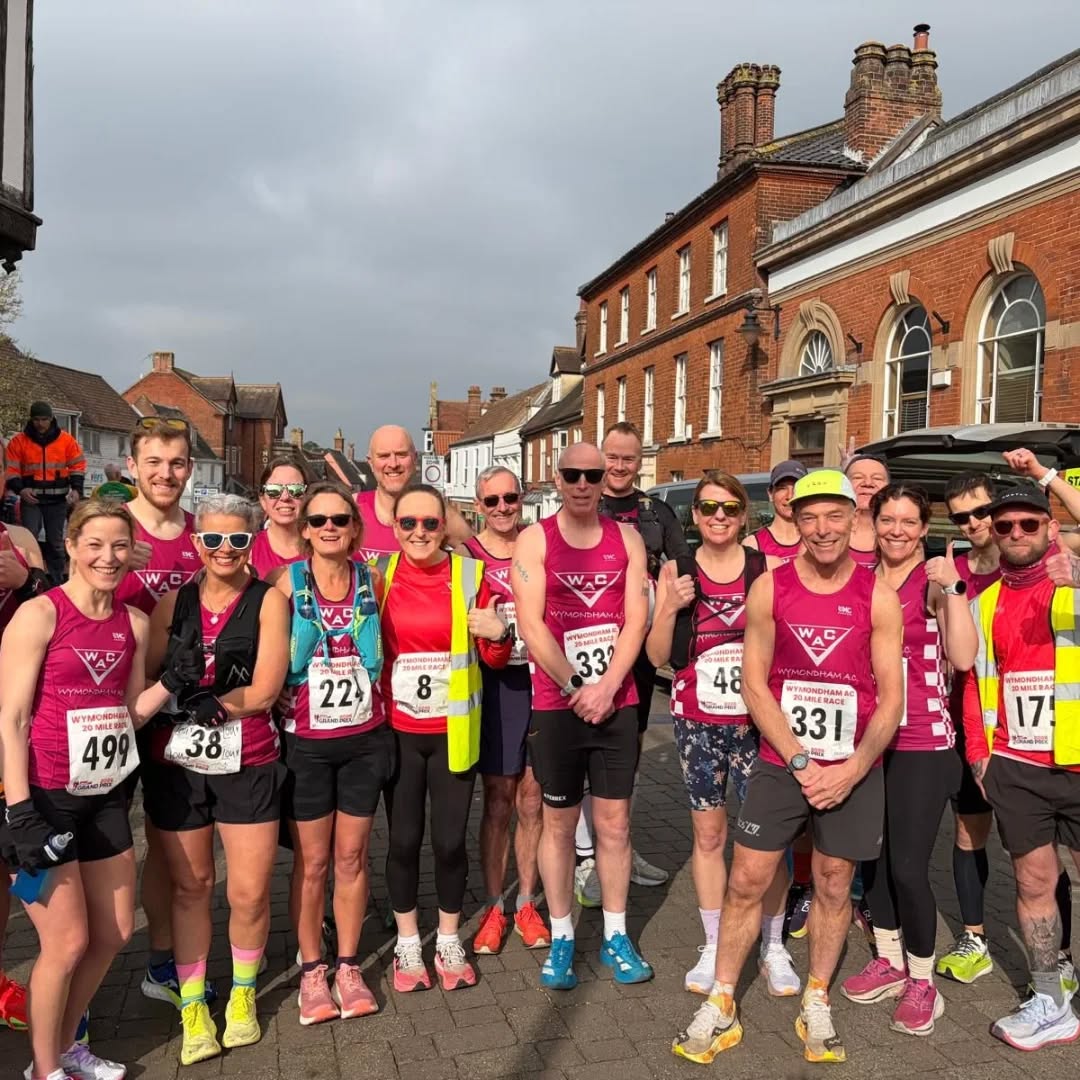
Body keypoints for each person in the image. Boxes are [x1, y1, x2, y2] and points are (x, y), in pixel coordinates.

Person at [672, 469, 903, 1066]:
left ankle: (817, 996)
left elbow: (891, 700)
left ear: (853, 519)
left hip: (852, 764)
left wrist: (852, 768)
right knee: (747, 879)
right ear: (793, 521)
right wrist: (800, 761)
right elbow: (754, 684)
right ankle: (722, 999)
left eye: (834, 516)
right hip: (783, 760)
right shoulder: (770, 588)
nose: (822, 529)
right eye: (810, 517)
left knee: (834, 882)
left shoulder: (878, 595)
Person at [0, 499, 196, 1080]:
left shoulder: (134, 623)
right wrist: (18, 810)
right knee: (66, 942)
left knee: (113, 932)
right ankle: (43, 1069)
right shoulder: (39, 614)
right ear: (71, 546)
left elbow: (129, 713)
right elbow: (11, 718)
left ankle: (65, 1048)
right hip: (43, 797)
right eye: (95, 545)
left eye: (119, 546)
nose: (108, 558)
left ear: (132, 550)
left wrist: (171, 682)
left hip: (106, 796)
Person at [143, 494, 289, 1064]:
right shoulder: (172, 603)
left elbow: (267, 688)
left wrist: (221, 706)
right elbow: (148, 678)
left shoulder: (268, 601)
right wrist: (171, 688)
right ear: (196, 543)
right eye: (212, 539)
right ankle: (194, 1004)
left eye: (237, 539)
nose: (224, 550)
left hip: (247, 759)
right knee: (191, 886)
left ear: (251, 542)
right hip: (178, 766)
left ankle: (243, 995)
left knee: (248, 891)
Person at [646, 472, 797, 999]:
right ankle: (713, 944)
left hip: (757, 724)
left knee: (766, 841)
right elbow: (656, 655)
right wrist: (670, 606)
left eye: (729, 508)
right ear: (694, 515)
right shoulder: (676, 570)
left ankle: (773, 945)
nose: (718, 517)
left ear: (742, 515)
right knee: (709, 836)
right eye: (709, 507)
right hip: (698, 722)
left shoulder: (766, 568)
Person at [512, 443, 652, 991]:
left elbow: (636, 620)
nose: (583, 484)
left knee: (615, 824)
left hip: (616, 701)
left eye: (593, 475)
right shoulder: (535, 539)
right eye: (572, 474)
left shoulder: (628, 539)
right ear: (557, 478)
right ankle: (563, 934)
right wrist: (576, 686)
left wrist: (608, 686)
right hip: (558, 704)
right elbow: (531, 624)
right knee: (559, 825)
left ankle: (616, 933)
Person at [840, 484, 976, 1035]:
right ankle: (890, 961)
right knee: (872, 858)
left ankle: (923, 981)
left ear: (923, 528)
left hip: (923, 742)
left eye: (908, 521)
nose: (896, 530)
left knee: (908, 867)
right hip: (869, 741)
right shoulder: (862, 580)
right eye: (887, 520)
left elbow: (962, 656)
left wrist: (956, 589)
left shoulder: (936, 582)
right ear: (873, 524)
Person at [381, 484, 511, 993]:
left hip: (453, 731)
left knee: (450, 841)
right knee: (403, 840)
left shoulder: (470, 576)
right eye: (408, 523)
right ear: (394, 526)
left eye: (430, 523)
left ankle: (450, 938)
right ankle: (408, 942)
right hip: (399, 732)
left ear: (444, 526)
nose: (419, 532)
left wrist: (499, 634)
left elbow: (493, 658)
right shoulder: (378, 576)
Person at [964, 484, 1080, 1050]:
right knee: (1034, 883)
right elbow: (974, 679)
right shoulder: (984, 603)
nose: (1016, 533)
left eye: (1028, 524)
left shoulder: (1074, 580)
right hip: (1015, 764)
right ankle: (1050, 1000)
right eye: (1005, 525)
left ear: (1051, 528)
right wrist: (978, 755)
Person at [272, 480, 391, 1023]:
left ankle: (348, 964)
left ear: (354, 528)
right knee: (313, 861)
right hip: (308, 745)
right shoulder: (285, 582)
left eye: (339, 520)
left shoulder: (372, 580)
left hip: (364, 739)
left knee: (351, 857)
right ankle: (312, 970)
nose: (328, 528)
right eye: (317, 520)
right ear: (304, 530)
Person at [114, 417, 203, 1008]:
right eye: (153, 462)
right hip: (109, 710)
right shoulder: (109, 530)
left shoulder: (202, 535)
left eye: (175, 463)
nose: (165, 474)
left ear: (189, 469)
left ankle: (162, 962)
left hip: (177, 711)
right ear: (132, 467)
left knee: (167, 844)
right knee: (104, 851)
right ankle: (83, 978)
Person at [583, 421, 689, 896]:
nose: (619, 466)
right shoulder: (583, 503)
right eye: (612, 456)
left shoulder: (656, 513)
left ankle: (620, 845)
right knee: (581, 752)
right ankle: (584, 855)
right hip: (586, 648)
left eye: (628, 458)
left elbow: (683, 570)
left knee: (627, 753)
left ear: (639, 462)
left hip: (640, 654)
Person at [462, 467, 549, 955]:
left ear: (522, 499)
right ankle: (495, 906)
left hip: (540, 682)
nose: (502, 508)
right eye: (491, 501)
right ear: (478, 506)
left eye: (509, 498)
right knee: (498, 801)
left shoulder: (540, 547)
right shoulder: (465, 557)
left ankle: (527, 902)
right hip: (495, 688)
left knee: (532, 801)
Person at [0, 521, 47, 1031]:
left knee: (7, 865)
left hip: (16, 717)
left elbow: (55, 605)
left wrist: (26, 579)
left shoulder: (19, 537)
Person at [357, 426, 471, 563]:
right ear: (370, 462)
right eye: (384, 456)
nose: (393, 464)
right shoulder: (351, 509)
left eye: (401, 455)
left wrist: (446, 569)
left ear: (415, 458)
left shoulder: (438, 510)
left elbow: (477, 557)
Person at [4, 401, 86, 585]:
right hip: (31, 499)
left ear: (51, 419)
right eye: (36, 419)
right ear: (31, 420)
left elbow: (78, 465)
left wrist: (76, 489)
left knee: (55, 542)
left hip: (57, 500)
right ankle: (29, 581)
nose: (40, 423)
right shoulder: (19, 441)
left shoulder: (66, 441)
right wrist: (20, 489)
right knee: (28, 540)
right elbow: (10, 469)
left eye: (44, 419)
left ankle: (58, 582)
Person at [250, 456, 310, 578]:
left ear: (307, 497)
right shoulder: (248, 550)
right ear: (263, 500)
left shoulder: (321, 546)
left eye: (295, 489)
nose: (285, 497)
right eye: (274, 490)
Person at [745, 460, 807, 561]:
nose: (790, 496)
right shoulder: (753, 545)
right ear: (770, 494)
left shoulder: (816, 539)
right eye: (782, 488)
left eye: (797, 487)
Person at [844, 454, 890, 567]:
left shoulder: (900, 533)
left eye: (877, 478)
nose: (868, 483)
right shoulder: (828, 529)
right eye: (858, 477)